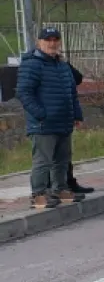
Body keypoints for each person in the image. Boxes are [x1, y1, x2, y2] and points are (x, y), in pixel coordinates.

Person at [17, 27, 85, 209]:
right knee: (43, 161)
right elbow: (24, 93)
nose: (52, 43)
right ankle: (38, 195)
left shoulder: (62, 65)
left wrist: (76, 114)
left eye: (56, 39)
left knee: (62, 160)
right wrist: (41, 114)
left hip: (63, 121)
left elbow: (72, 92)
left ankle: (60, 189)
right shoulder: (31, 64)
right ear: (39, 42)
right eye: (48, 40)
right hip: (43, 124)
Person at [65, 65, 94, 195]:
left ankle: (69, 183)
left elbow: (77, 78)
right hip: (45, 119)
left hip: (64, 115)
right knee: (48, 158)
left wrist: (64, 63)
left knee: (65, 154)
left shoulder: (61, 64)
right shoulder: (36, 64)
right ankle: (46, 191)